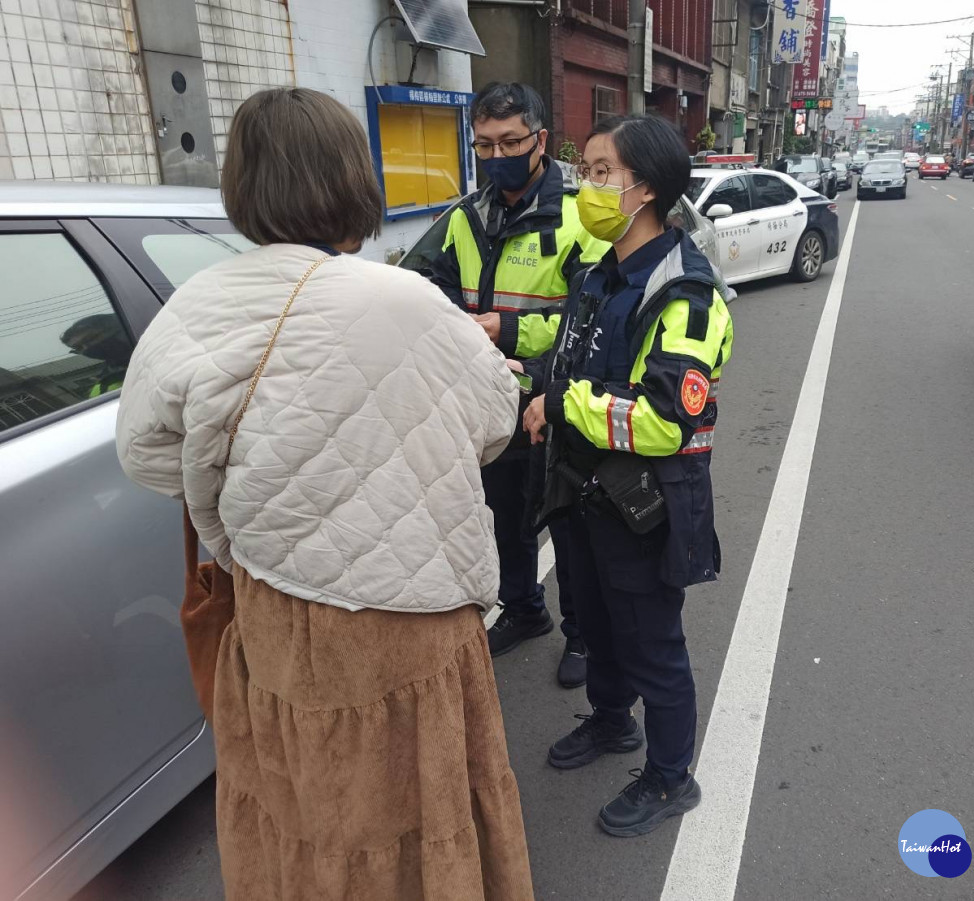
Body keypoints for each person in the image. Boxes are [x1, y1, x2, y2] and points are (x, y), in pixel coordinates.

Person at [115, 87, 534, 901]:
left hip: (275, 613)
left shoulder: (197, 303)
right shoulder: (401, 298)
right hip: (406, 615)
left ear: (246, 187)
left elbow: (146, 455)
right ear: (352, 179)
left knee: (301, 809)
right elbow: (493, 419)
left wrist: (266, 480)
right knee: (424, 808)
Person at [517, 115, 734, 837]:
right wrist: (540, 380)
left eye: (601, 171)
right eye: (586, 170)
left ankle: (673, 777)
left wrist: (562, 401)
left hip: (640, 507)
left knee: (653, 648)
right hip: (582, 495)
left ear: (644, 189)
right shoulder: (597, 274)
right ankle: (613, 723)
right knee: (598, 629)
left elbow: (663, 421)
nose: (587, 184)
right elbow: (574, 356)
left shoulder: (687, 298)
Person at [430, 82, 608, 687]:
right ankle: (526, 609)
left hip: (561, 398)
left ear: (541, 140)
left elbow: (596, 320)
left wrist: (505, 329)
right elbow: (423, 291)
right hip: (493, 396)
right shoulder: (464, 215)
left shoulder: (583, 215)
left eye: (510, 141)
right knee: (505, 515)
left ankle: (582, 636)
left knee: (570, 520)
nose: (496, 154)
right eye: (483, 144)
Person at [61, 313, 132, 397]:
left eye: (89, 339)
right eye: (78, 347)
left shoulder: (147, 344)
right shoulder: (103, 388)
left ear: (113, 331)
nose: (87, 348)